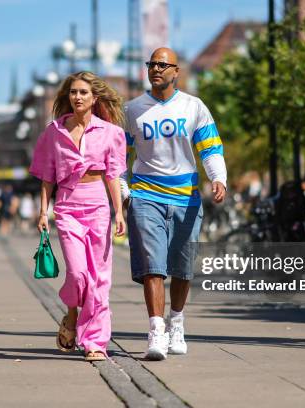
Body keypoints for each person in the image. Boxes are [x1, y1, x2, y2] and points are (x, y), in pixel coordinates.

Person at [121, 48, 227, 360]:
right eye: (151, 64)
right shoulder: (133, 109)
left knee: (183, 268)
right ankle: (156, 331)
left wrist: (217, 177)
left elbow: (210, 146)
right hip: (145, 196)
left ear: (176, 71)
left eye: (162, 64)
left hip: (186, 197)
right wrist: (123, 187)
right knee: (153, 267)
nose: (155, 69)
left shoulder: (193, 106)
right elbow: (116, 155)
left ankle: (176, 322)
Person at [29, 71, 126, 361]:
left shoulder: (110, 133)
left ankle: (95, 343)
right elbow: (47, 176)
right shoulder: (54, 132)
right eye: (73, 92)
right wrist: (43, 210)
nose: (78, 97)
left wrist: (118, 211)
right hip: (68, 205)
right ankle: (71, 312)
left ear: (94, 98)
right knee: (77, 273)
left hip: (98, 204)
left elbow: (112, 174)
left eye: (83, 92)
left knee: (98, 278)